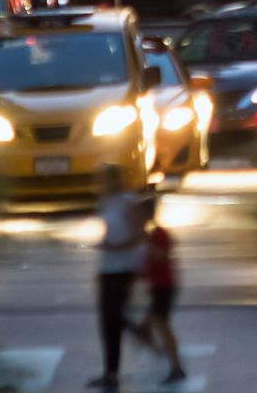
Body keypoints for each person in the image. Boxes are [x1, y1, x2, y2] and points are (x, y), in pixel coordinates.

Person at [89, 166, 145, 389]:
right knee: (108, 322)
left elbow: (138, 234)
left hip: (123, 268)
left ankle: (143, 336)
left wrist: (115, 247)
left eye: (102, 179)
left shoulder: (127, 202)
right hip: (107, 268)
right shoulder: (105, 202)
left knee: (115, 318)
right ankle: (110, 372)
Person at [131, 196, 186, 382]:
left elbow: (162, 257)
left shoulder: (158, 234)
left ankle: (175, 364)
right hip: (158, 286)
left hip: (164, 286)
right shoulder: (150, 235)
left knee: (162, 325)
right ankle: (166, 355)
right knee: (155, 324)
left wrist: (145, 241)